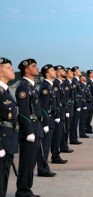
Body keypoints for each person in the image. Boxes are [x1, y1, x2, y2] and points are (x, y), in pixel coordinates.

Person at [15, 58, 43, 197]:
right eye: (34, 66)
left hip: (36, 128)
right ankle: (22, 191)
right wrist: (29, 131)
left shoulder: (31, 86)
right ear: (27, 70)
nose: (36, 68)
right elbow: (24, 112)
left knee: (31, 163)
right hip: (30, 131)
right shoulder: (23, 87)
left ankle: (27, 190)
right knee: (26, 163)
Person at [0, 58, 18, 197]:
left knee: (4, 177)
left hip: (9, 139)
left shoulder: (5, 91)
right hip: (2, 141)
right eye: (8, 67)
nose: (12, 69)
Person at [36, 64, 57, 177]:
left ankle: (45, 168)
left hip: (51, 119)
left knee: (47, 146)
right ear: (47, 74)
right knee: (44, 147)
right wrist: (45, 123)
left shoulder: (49, 86)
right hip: (47, 120)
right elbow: (43, 107)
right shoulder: (45, 87)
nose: (55, 71)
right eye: (52, 70)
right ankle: (42, 169)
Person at [51, 65, 68, 163]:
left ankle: (57, 154)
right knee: (56, 136)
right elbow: (56, 102)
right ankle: (55, 156)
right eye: (62, 70)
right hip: (58, 114)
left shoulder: (60, 84)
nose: (64, 71)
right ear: (57, 73)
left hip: (61, 113)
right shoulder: (56, 84)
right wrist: (57, 115)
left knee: (59, 135)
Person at [60, 67, 75, 152]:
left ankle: (65, 146)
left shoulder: (69, 83)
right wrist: (67, 111)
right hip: (67, 109)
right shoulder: (66, 83)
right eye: (70, 72)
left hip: (69, 108)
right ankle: (64, 146)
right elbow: (64, 99)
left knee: (67, 128)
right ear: (66, 74)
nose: (72, 73)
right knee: (65, 129)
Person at [69, 66, 82, 144]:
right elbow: (74, 95)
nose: (80, 71)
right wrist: (77, 105)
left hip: (78, 105)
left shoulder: (77, 81)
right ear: (74, 72)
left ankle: (74, 138)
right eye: (78, 70)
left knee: (75, 123)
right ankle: (73, 139)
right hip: (75, 106)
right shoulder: (74, 81)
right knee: (74, 123)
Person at [86, 69, 93, 134]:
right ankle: (87, 128)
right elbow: (88, 93)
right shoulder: (89, 82)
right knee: (89, 116)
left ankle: (88, 128)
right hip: (90, 102)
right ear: (90, 74)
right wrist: (91, 99)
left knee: (90, 116)